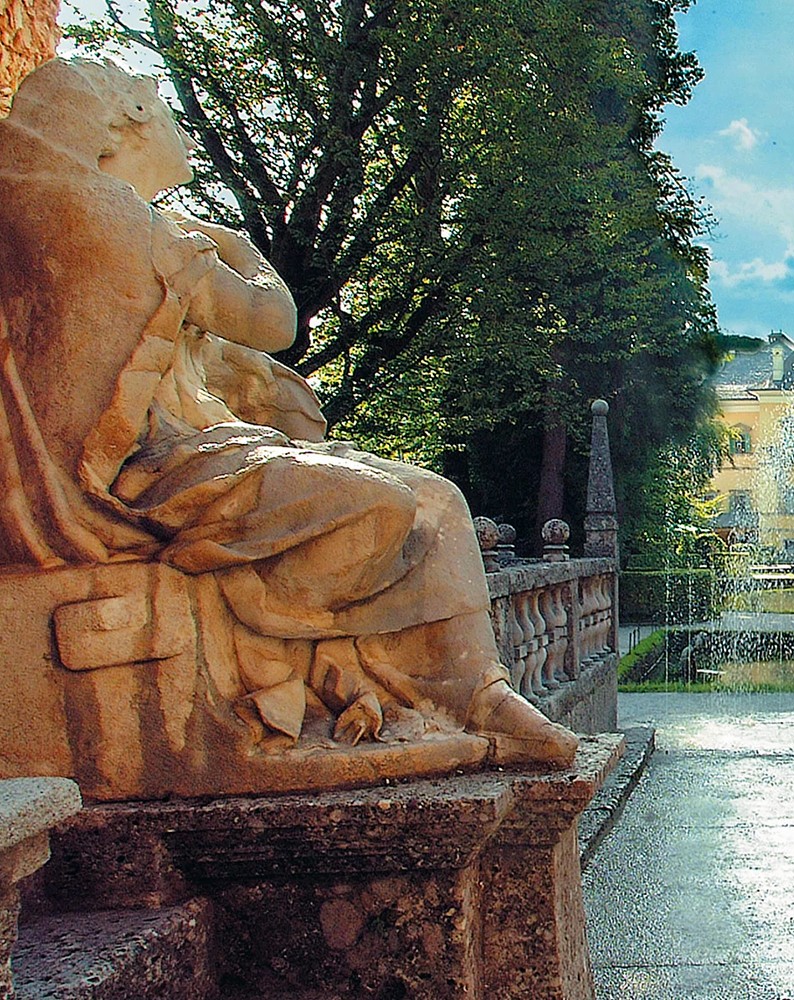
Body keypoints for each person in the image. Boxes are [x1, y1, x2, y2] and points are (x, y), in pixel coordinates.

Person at [0, 58, 575, 766]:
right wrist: (236, 246)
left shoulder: (78, 211)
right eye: (167, 110)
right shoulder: (134, 228)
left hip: (176, 453)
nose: (184, 131)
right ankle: (340, 669)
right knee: (388, 506)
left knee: (438, 498)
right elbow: (274, 321)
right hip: (143, 474)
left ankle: (480, 695)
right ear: (131, 122)